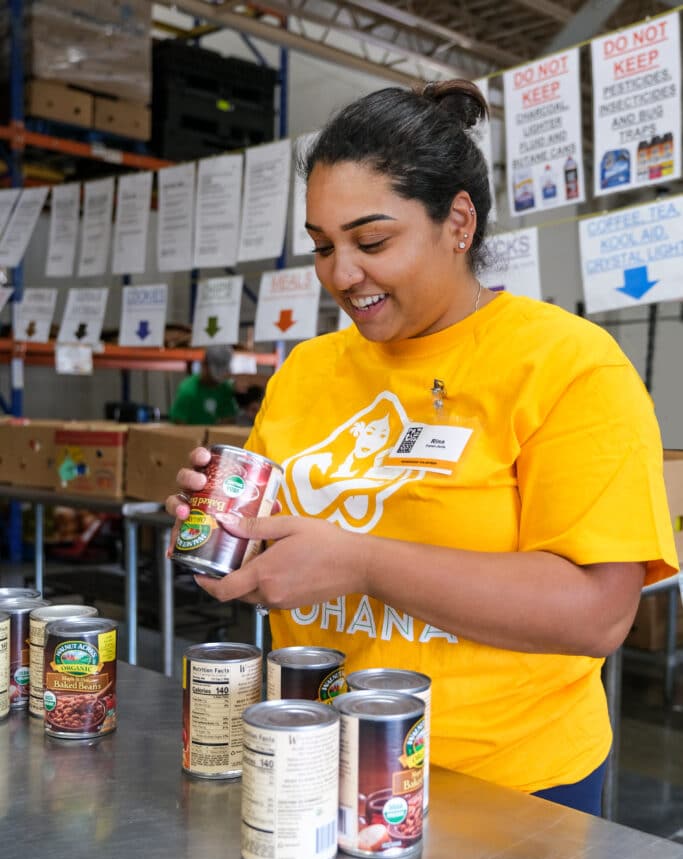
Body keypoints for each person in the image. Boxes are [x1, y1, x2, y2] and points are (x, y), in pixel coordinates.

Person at [167, 79, 678, 815]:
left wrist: (364, 562)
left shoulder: (567, 365)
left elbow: (595, 614)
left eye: (372, 241)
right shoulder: (308, 370)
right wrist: (216, 532)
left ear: (457, 222)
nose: (342, 276)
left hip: (507, 789)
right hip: (314, 755)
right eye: (322, 247)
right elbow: (275, 553)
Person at [169, 345, 239, 425]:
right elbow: (178, 422)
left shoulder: (225, 389)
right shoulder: (188, 390)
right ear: (204, 365)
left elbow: (230, 418)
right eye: (214, 374)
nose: (218, 380)